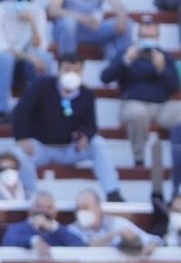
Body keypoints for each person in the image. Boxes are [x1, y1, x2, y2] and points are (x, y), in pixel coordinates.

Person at [11, 54, 124, 203]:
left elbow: (91, 125)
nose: (72, 74)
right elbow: (21, 111)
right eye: (67, 70)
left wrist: (85, 136)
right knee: (18, 154)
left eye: (77, 71)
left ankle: (113, 192)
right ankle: (32, 197)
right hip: (41, 148)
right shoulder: (42, 86)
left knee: (98, 143)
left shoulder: (86, 94)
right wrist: (22, 138)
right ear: (58, 71)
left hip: (69, 149)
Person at [99, 18, 181, 168]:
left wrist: (162, 69)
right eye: (145, 27)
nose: (148, 30)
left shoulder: (165, 57)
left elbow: (174, 88)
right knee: (136, 113)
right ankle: (139, 158)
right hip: (134, 102)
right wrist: (125, 60)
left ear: (158, 34)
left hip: (162, 106)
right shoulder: (126, 53)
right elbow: (105, 77)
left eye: (151, 27)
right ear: (138, 33)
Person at [0, 0, 55, 126]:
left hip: (20, 67)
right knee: (6, 58)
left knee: (45, 58)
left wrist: (32, 23)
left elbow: (40, 46)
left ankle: (41, 109)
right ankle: (1, 112)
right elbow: (0, 46)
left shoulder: (37, 11)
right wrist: (30, 58)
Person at [68, 188, 161, 252]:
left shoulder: (118, 223)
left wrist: (150, 246)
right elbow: (89, 246)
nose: (81, 211)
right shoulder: (72, 230)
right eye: (78, 208)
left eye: (85, 207)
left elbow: (152, 239)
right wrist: (113, 234)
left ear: (98, 207)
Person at [2, 190, 86, 256]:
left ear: (55, 212)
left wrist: (54, 228)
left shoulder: (61, 230)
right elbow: (7, 241)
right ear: (31, 210)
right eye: (39, 206)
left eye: (49, 207)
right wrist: (34, 241)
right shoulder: (18, 228)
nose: (44, 210)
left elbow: (81, 244)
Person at [48, 0, 130, 62]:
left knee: (128, 23)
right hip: (67, 31)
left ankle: (125, 66)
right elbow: (53, 10)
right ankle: (68, 66)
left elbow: (117, 4)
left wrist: (121, 17)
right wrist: (83, 18)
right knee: (69, 23)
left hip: (91, 30)